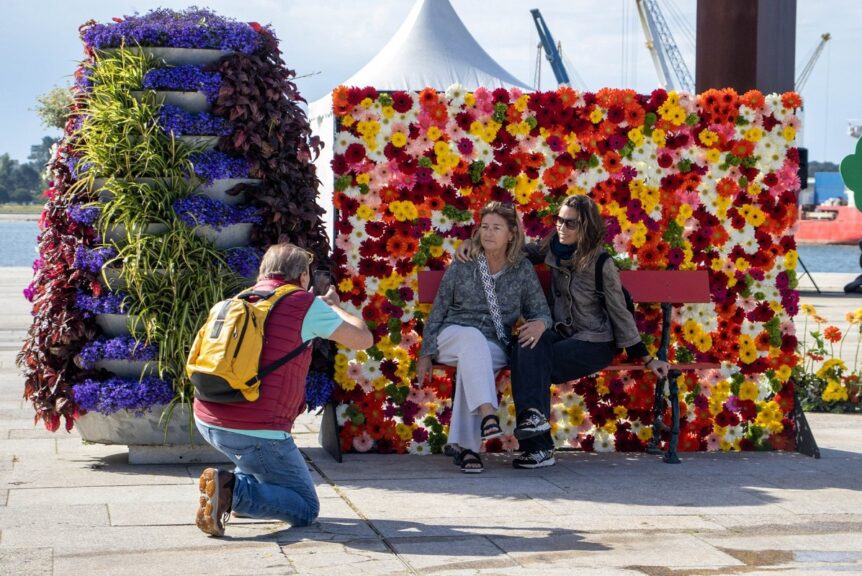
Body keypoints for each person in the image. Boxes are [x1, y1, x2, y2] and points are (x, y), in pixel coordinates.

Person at [457, 195, 668, 469]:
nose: (562, 227)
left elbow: (620, 313)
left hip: (595, 342)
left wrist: (647, 358)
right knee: (526, 343)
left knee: (532, 361)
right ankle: (536, 433)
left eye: (571, 223)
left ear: (586, 227)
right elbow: (518, 249)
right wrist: (475, 244)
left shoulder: (601, 263)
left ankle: (539, 446)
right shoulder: (553, 248)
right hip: (563, 334)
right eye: (559, 220)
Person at [193, 242, 373, 537]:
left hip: (208, 417)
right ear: (303, 275)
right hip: (258, 430)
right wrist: (334, 307)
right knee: (304, 508)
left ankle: (230, 489)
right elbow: (363, 339)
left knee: (259, 467)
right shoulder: (306, 304)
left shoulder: (243, 298)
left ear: (264, 271)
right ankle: (232, 490)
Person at [416, 201, 552, 473]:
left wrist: (539, 325)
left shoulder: (521, 270)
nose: (488, 233)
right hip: (452, 336)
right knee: (471, 340)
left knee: (475, 358)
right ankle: (488, 413)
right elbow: (440, 308)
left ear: (511, 234)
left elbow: (541, 312)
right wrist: (426, 352)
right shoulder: (464, 263)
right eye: (484, 227)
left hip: (494, 342)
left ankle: (468, 451)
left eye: (496, 228)